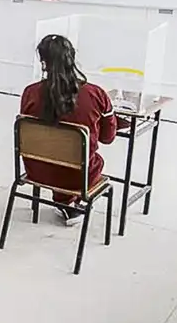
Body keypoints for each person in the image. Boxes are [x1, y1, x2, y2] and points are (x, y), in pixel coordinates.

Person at [20, 34, 118, 226]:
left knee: (60, 155)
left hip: (38, 171)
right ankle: (71, 201)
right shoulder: (96, 94)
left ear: (43, 62)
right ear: (72, 58)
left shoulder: (30, 93)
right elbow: (108, 138)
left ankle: (65, 202)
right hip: (79, 178)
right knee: (91, 161)